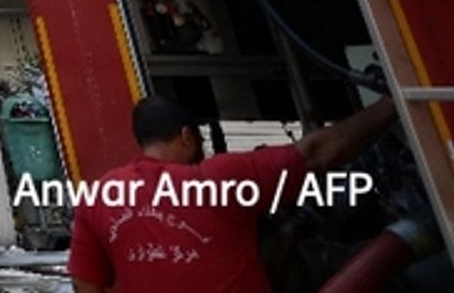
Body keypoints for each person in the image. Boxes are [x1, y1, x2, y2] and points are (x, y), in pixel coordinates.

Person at [69, 93, 397, 292]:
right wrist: (394, 102)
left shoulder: (99, 196)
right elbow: (317, 153)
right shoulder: (221, 179)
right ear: (187, 137)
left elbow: (86, 283)